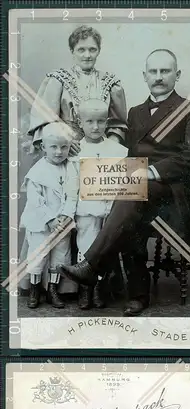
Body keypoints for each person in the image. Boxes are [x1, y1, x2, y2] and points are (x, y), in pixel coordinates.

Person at [57, 49, 190, 316]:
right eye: (153, 71)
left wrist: (151, 172)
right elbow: (129, 157)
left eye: (165, 71)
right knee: (129, 201)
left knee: (131, 194)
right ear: (144, 76)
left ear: (177, 74)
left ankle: (92, 267)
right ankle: (137, 296)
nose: (159, 77)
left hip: (177, 193)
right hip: (140, 192)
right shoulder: (136, 112)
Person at [20, 24, 127, 295]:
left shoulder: (111, 82)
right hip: (66, 155)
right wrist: (66, 144)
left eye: (92, 49)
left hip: (99, 155)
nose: (87, 54)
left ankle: (97, 285)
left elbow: (118, 123)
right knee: (64, 214)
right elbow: (45, 120)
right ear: (72, 51)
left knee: (96, 218)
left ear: (99, 51)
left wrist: (108, 145)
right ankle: (58, 285)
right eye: (81, 49)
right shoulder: (58, 79)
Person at [75, 98, 128, 309]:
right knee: (86, 243)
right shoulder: (75, 150)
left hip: (109, 206)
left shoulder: (117, 150)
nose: (95, 127)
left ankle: (99, 287)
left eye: (100, 121)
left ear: (107, 122)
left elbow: (124, 179)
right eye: (89, 122)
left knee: (104, 246)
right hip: (86, 207)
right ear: (80, 123)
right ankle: (85, 289)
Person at [20, 122, 78, 309]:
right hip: (42, 223)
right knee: (38, 256)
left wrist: (66, 216)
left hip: (62, 223)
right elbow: (35, 200)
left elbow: (72, 194)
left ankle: (53, 289)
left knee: (60, 257)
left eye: (64, 147)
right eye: (54, 147)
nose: (59, 152)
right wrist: (50, 219)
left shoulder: (70, 168)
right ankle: (35, 289)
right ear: (44, 147)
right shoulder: (38, 171)